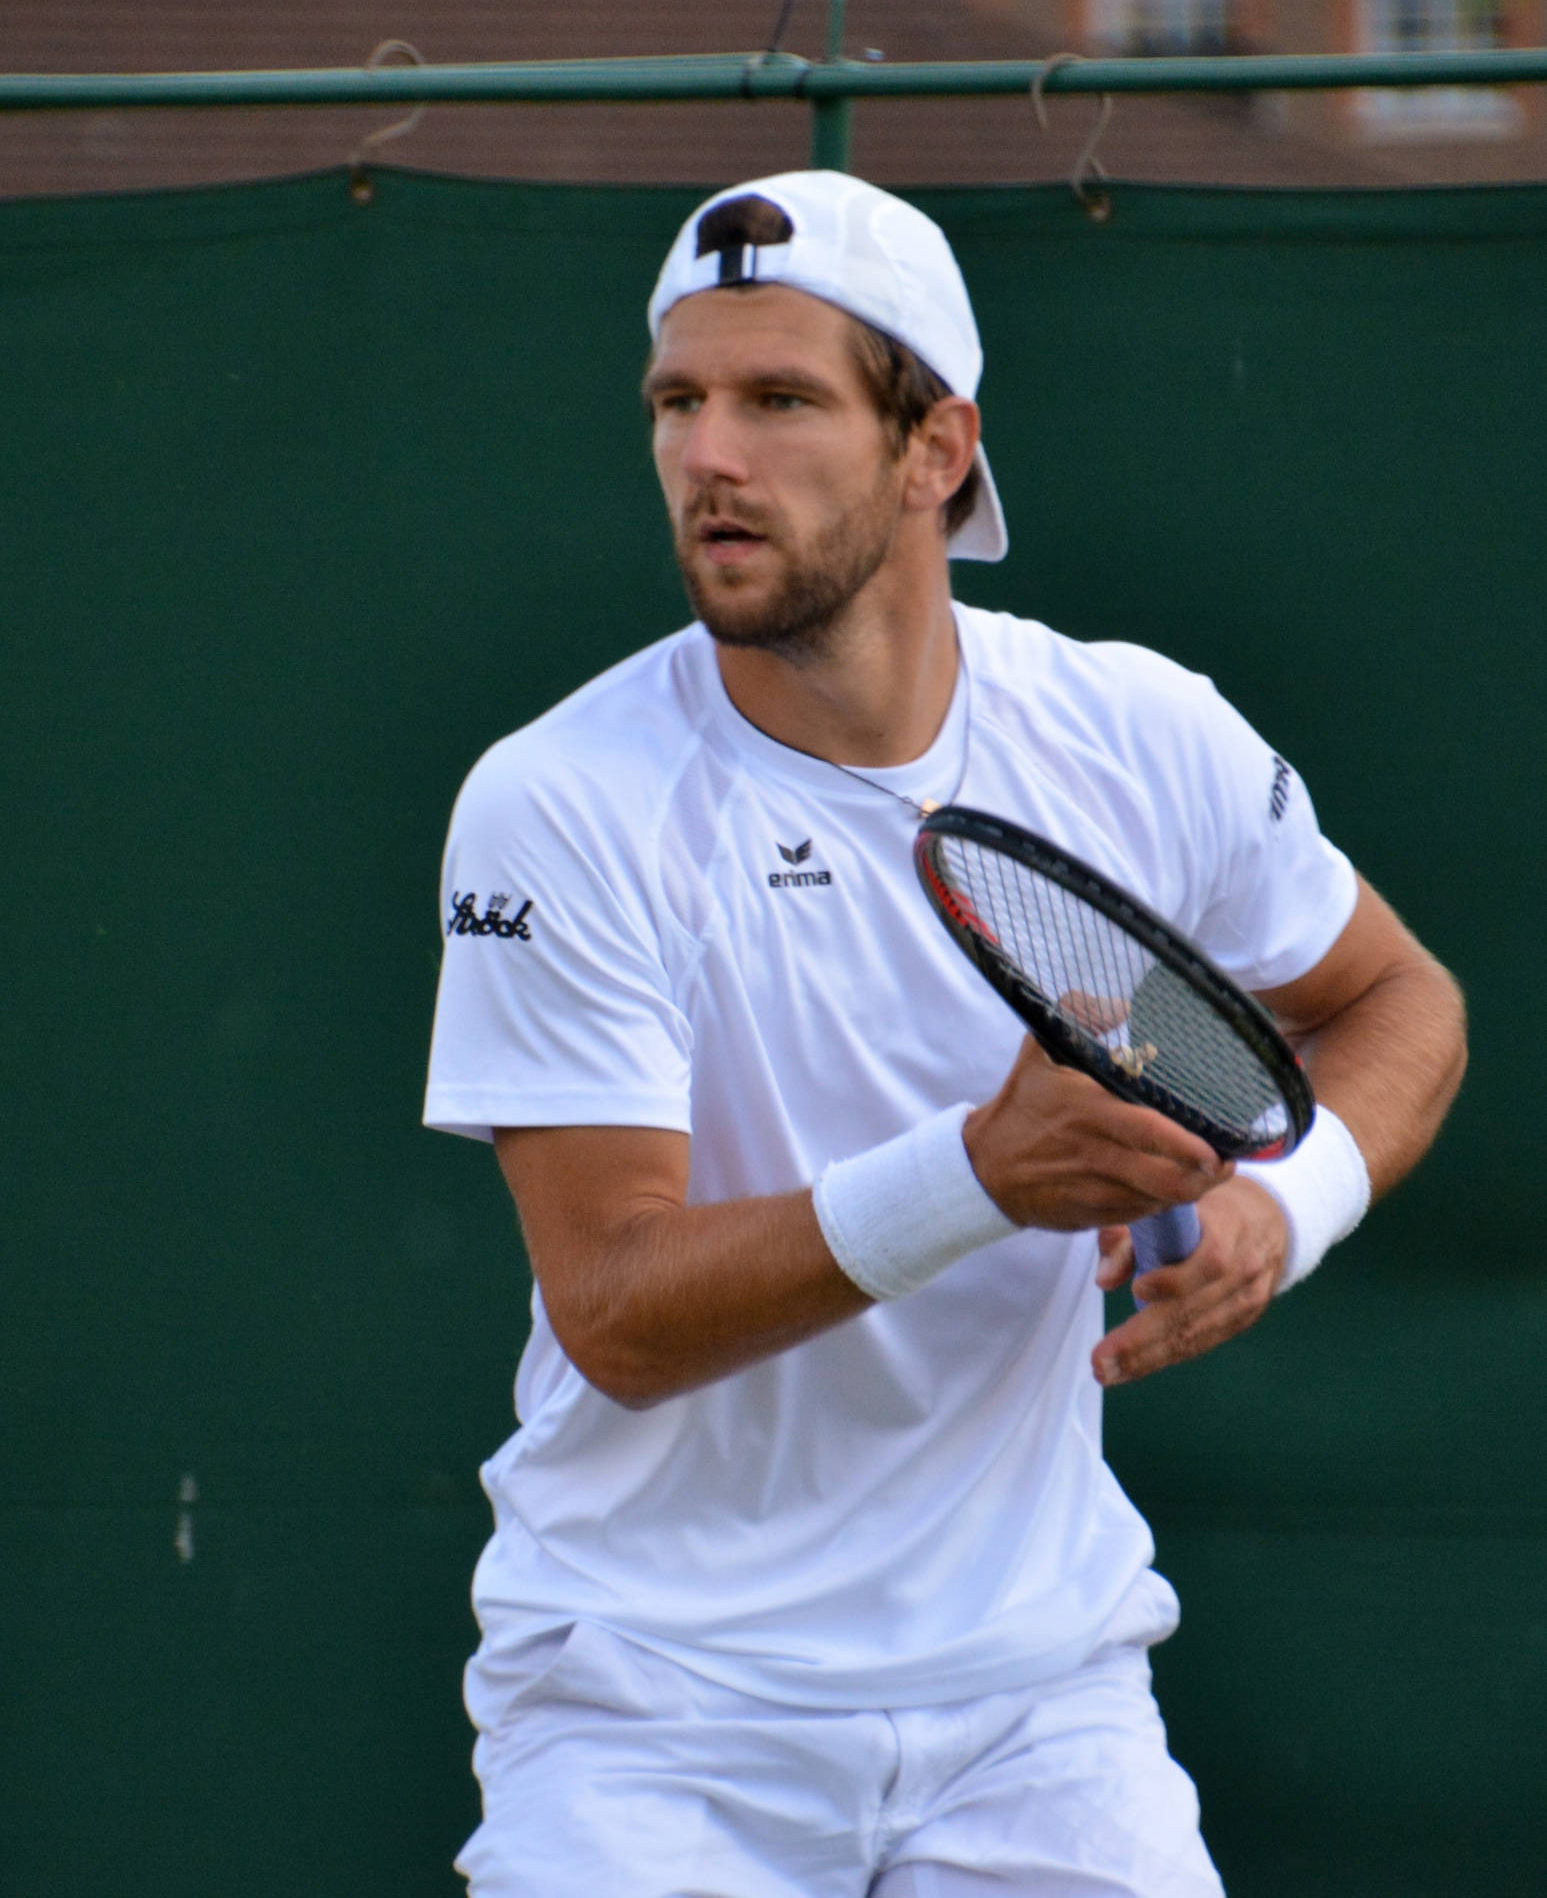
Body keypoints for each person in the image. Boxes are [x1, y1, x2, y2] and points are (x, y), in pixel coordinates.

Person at [424, 171, 1465, 1897]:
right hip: (654, 1709)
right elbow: (611, 1308)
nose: (709, 457)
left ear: (935, 448)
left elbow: (1393, 999)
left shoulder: (1141, 734)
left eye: (780, 400)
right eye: (679, 403)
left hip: (1043, 1701)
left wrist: (1296, 1205)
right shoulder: (561, 803)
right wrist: (982, 1176)